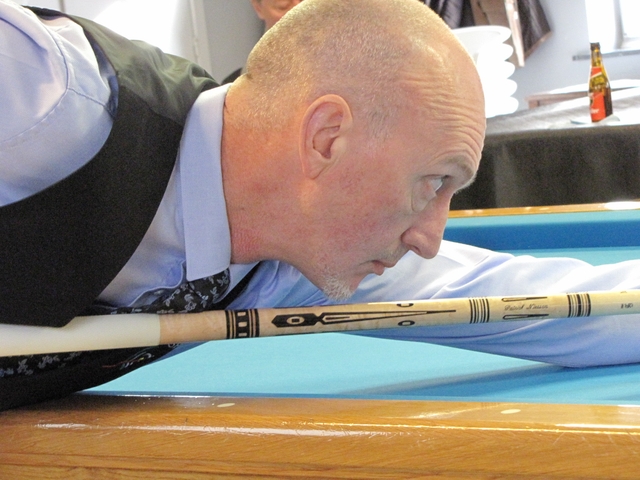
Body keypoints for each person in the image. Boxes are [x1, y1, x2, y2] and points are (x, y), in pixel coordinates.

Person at [2, 0, 640, 410]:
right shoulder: (48, 93)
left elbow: (561, 306)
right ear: (326, 138)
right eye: (433, 182)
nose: (429, 238)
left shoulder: (291, 258)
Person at [223, 0, 303, 83]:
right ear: (258, 8)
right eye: (283, 6)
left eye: (307, 2)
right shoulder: (234, 86)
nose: (301, 13)